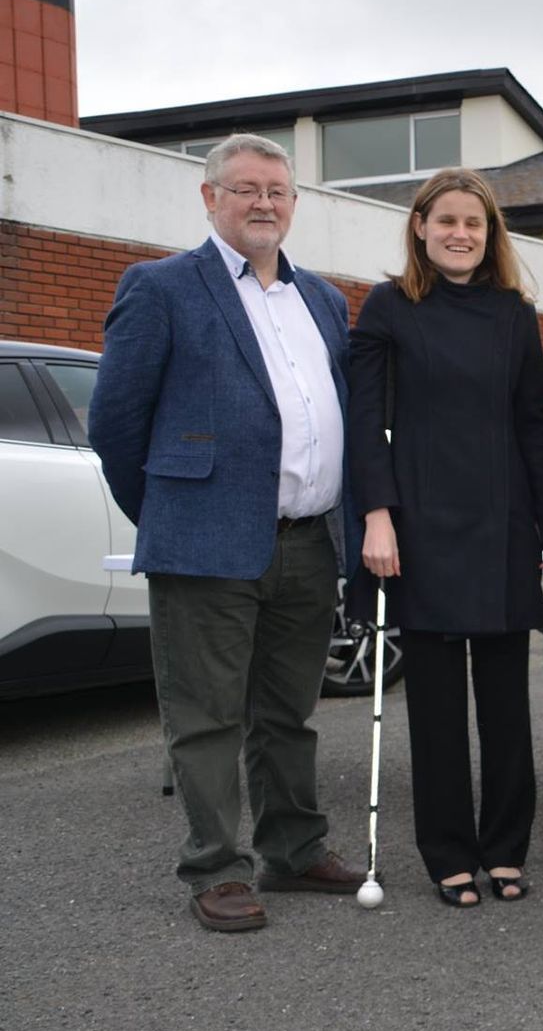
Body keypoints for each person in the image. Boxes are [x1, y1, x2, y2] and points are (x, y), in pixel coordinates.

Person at [89, 133, 366, 932]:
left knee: (290, 713)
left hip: (309, 540)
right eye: (245, 189)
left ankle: (295, 847)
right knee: (208, 716)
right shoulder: (162, 288)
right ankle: (216, 867)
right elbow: (116, 423)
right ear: (210, 199)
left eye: (277, 191)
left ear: (294, 205)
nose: (263, 204)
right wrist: (172, 515)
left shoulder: (320, 299)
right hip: (205, 544)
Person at [348, 169, 543, 907]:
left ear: (490, 233)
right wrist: (376, 514)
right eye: (446, 221)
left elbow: (530, 425)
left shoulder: (513, 313)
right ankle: (448, 852)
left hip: (502, 526)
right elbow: (363, 427)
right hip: (420, 525)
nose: (460, 234)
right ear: (420, 226)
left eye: (473, 224)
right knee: (438, 710)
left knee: (507, 707)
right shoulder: (388, 306)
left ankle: (507, 848)